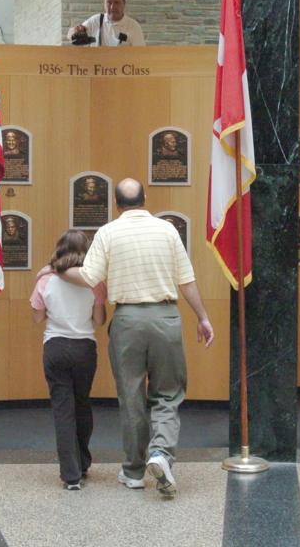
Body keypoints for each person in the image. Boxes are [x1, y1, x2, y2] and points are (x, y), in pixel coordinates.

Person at [46, 178, 214, 498]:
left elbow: (88, 277)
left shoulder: (108, 232)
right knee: (167, 393)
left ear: (115, 203)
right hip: (166, 317)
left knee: (131, 396)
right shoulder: (167, 230)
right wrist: (202, 317)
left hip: (127, 321)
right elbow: (186, 280)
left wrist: (56, 268)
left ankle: (134, 471)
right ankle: (161, 454)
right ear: (145, 198)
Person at [30, 230, 107, 490]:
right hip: (85, 348)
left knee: (63, 410)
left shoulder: (45, 280)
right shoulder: (93, 282)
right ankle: (83, 461)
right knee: (82, 404)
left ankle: (70, 474)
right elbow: (99, 320)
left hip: (55, 346)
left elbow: (38, 317)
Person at [67, 0, 145, 47]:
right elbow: (69, 36)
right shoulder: (95, 20)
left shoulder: (133, 26)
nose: (112, 7)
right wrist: (74, 31)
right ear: (104, 4)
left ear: (124, 4)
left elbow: (141, 54)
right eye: (109, 3)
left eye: (117, 3)